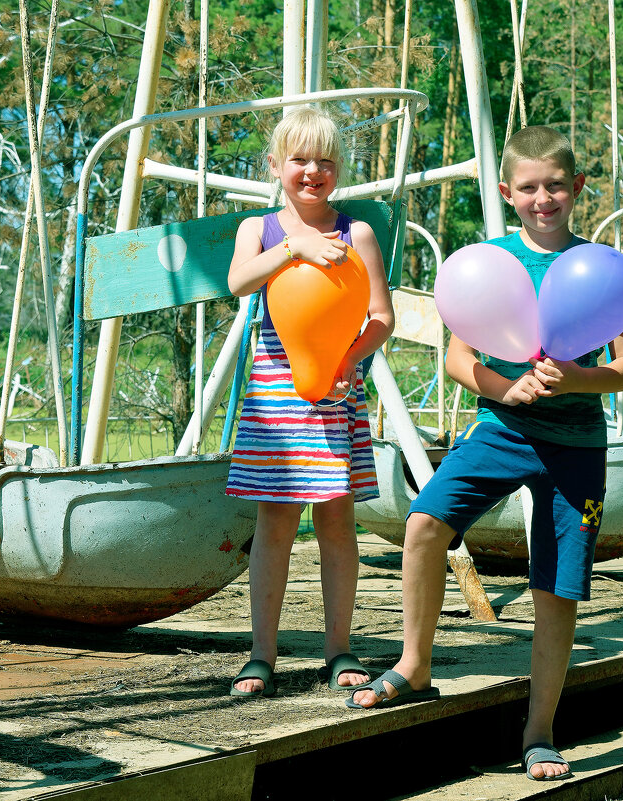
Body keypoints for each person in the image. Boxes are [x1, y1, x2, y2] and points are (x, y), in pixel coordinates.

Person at [346, 126, 623, 781]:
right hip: (500, 428)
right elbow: (458, 357)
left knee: (555, 589)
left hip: (575, 448)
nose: (544, 199)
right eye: (530, 188)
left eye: (556, 186)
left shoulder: (600, 270)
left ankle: (538, 733)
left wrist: (576, 376)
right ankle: (413, 664)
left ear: (577, 189)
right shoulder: (490, 263)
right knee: (424, 523)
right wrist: (508, 386)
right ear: (509, 193)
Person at [225, 106, 394, 698]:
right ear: (275, 166)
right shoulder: (261, 230)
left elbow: (380, 317)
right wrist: (294, 248)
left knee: (337, 522)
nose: (312, 171)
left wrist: (351, 361)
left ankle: (338, 648)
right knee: (273, 524)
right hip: (275, 394)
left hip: (337, 391)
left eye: (325, 160)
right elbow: (238, 283)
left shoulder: (358, 234)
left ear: (338, 170)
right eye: (299, 159)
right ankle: (261, 653)